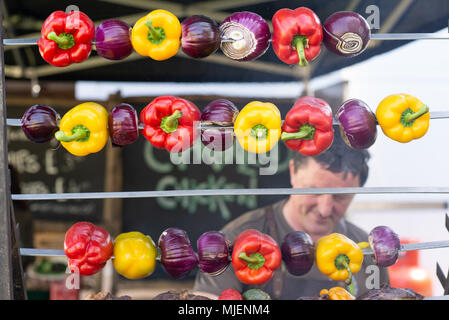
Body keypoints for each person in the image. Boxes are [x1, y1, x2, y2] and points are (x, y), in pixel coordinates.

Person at [193, 131, 389, 299]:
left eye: (340, 197)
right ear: (293, 172)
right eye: (314, 191)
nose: (325, 209)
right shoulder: (237, 239)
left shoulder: (369, 252)